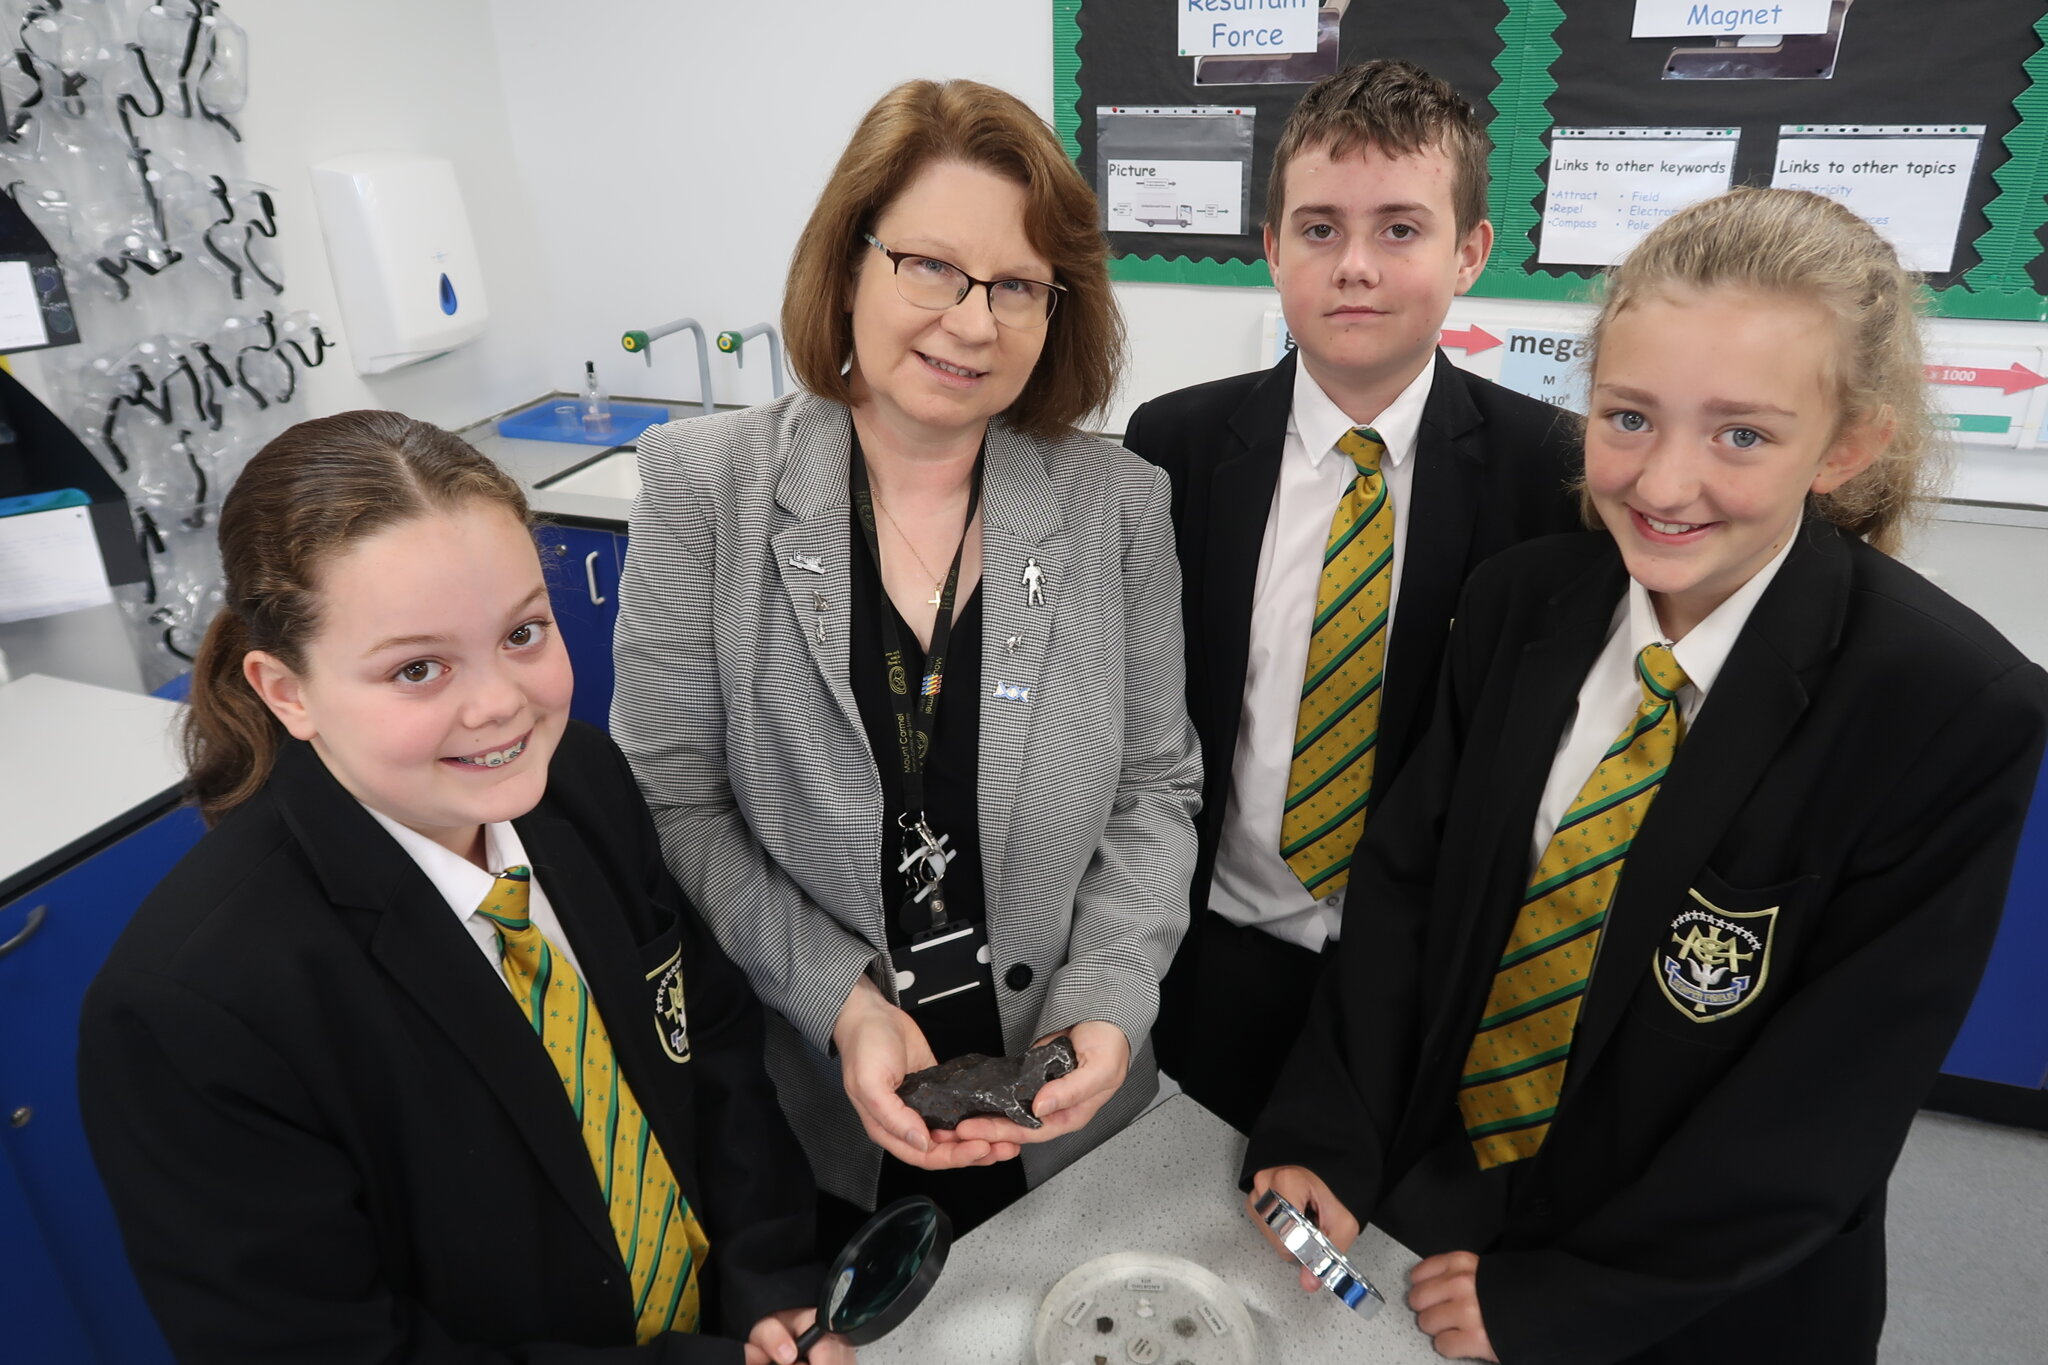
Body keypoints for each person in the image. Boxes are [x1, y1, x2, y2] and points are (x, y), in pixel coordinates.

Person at [1245, 188, 2048, 1364]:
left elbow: (1826, 1099)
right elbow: (1407, 894)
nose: (1662, 486)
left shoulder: (1946, 709)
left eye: (1741, 434)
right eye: (1627, 419)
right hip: (1438, 1212)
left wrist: (1570, 1300)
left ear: (1848, 444)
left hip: (1688, 1298)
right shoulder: (1521, 604)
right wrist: (1331, 1127)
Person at [78, 411, 844, 1365]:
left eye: (523, 632)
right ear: (287, 691)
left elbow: (713, 1051)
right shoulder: (193, 1009)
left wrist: (769, 1282)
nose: (499, 704)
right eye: (418, 667)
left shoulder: (582, 786)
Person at [610, 80, 1200, 1239]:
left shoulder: (1119, 503)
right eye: (929, 266)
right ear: (846, 266)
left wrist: (1108, 1005)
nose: (972, 322)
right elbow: (675, 804)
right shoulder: (703, 485)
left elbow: (1151, 789)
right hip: (829, 1110)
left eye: (1018, 286)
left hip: (1066, 1097)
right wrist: (840, 1005)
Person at [1124, 59, 1582, 1133]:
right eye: (1319, 229)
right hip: (1213, 948)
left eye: (1400, 229)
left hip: (1415, 979)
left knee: (1368, 1261)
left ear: (1468, 251)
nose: (1355, 268)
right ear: (1272, 247)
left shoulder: (1546, 475)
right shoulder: (1174, 445)